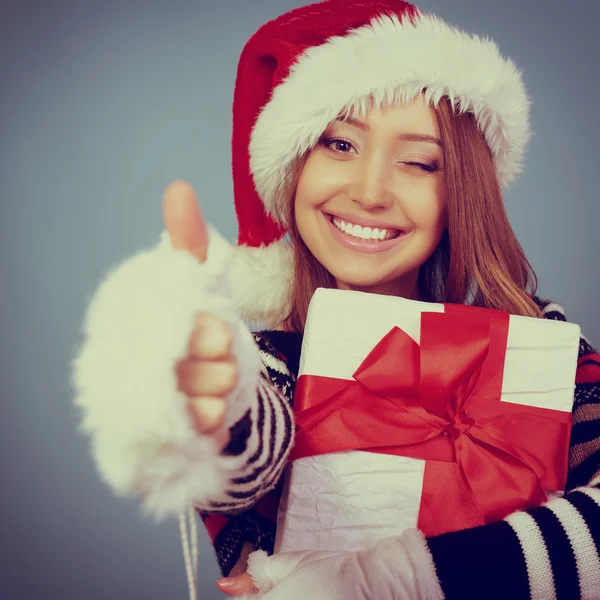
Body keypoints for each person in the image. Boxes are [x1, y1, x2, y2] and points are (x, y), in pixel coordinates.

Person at [71, 1, 600, 599]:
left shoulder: (549, 356)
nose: (369, 192)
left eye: (420, 161)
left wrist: (390, 581)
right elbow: (246, 461)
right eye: (339, 145)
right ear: (295, 167)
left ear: (462, 192)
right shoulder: (266, 366)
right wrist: (216, 402)